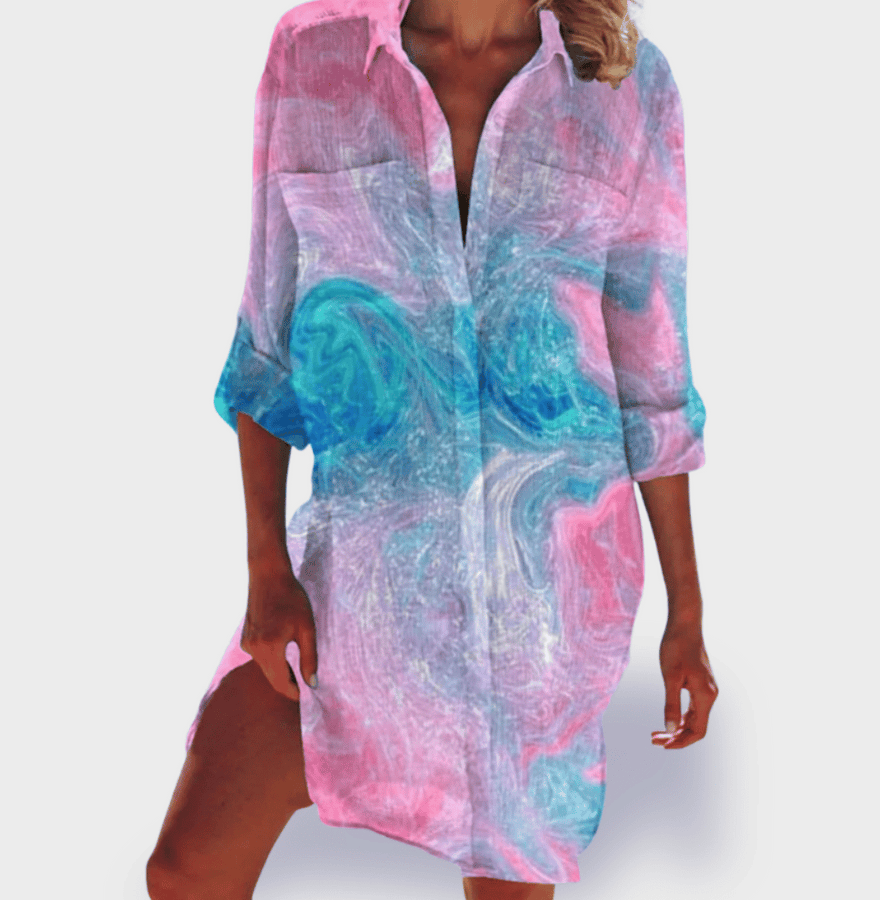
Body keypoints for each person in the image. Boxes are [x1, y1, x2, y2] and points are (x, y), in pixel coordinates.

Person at [146, 0, 719, 897]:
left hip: (547, 602)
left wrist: (687, 613)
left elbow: (653, 374)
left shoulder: (625, 82)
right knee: (188, 870)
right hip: (359, 578)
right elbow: (268, 342)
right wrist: (266, 569)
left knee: (505, 884)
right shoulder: (316, 56)